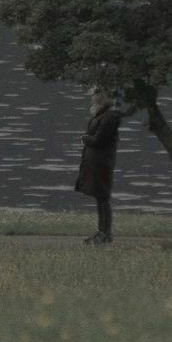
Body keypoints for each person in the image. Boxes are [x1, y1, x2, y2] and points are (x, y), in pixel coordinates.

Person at [74, 87, 121, 244]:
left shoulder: (109, 117)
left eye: (95, 95)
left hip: (102, 162)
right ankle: (101, 231)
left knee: (103, 197)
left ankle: (105, 232)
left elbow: (98, 140)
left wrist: (85, 139)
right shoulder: (101, 115)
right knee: (99, 197)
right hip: (95, 162)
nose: (92, 97)